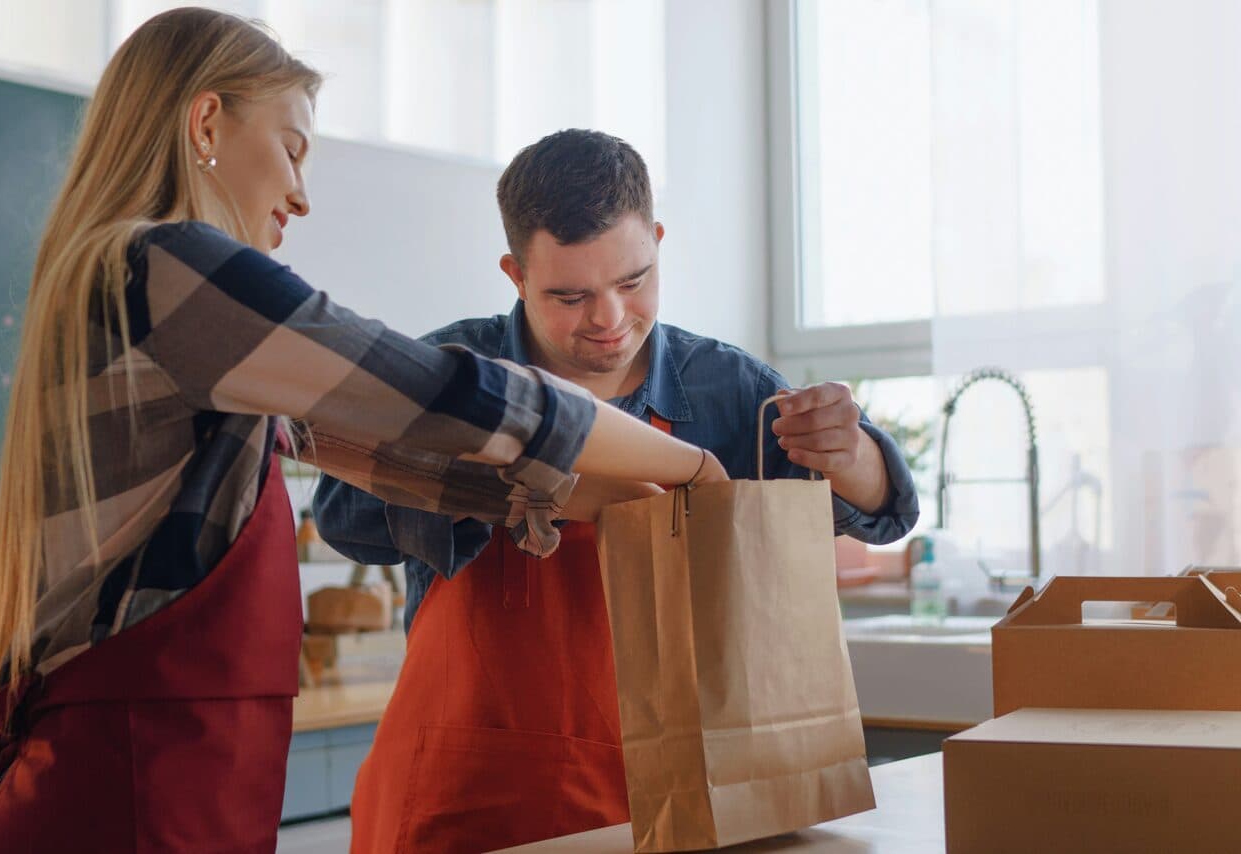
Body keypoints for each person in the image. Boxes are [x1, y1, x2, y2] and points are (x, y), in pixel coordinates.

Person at [0, 14, 723, 853]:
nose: (301, 193)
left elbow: (396, 459)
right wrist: (691, 463)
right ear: (207, 122)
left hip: (130, 784)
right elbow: (439, 394)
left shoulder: (126, 288)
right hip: (130, 795)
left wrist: (579, 491)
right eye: (291, 148)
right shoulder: (165, 265)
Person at [314, 128, 921, 852]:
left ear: (658, 240)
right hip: (468, 799)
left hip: (672, 797)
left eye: (633, 282)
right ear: (515, 273)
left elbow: (887, 516)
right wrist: (511, 470)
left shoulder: (729, 390)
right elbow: (342, 517)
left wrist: (853, 454)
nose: (608, 318)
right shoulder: (453, 374)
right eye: (570, 295)